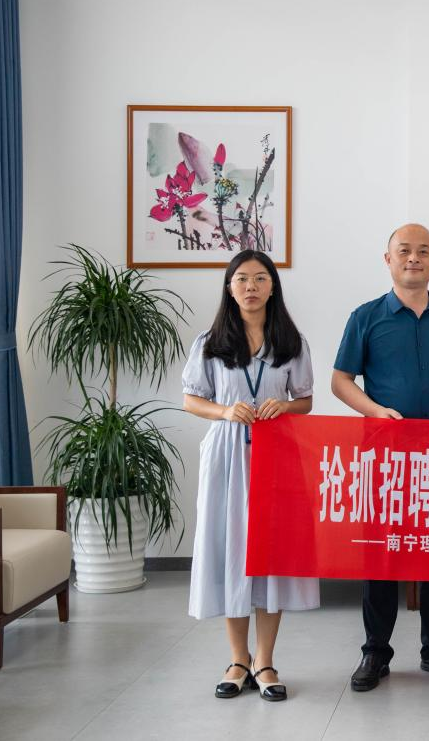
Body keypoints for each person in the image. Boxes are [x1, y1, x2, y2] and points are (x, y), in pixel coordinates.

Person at [331, 223, 429, 692]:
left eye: (423, 251)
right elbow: (340, 381)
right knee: (381, 554)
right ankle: (376, 651)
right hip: (387, 457)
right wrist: (376, 411)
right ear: (388, 259)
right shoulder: (366, 316)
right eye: (404, 251)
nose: (413, 258)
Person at [182, 249, 319, 703]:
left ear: (273, 287)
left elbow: (305, 400)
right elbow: (190, 399)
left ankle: (265, 660)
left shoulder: (291, 341)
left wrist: (286, 405)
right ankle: (237, 659)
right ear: (229, 287)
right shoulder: (210, 342)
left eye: (260, 278)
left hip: (277, 456)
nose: (251, 287)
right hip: (228, 457)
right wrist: (225, 411)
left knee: (271, 553)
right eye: (242, 279)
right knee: (232, 551)